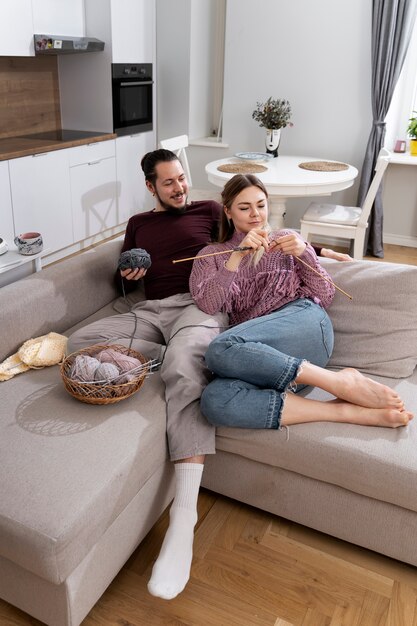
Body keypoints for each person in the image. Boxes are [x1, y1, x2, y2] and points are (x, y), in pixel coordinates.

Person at [67, 148, 229, 601]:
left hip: (198, 305)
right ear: (150, 187)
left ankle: (184, 515)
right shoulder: (139, 224)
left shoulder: (210, 211)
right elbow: (127, 276)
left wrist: (314, 250)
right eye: (170, 182)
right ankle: (172, 354)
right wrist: (129, 271)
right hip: (151, 311)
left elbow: (252, 234)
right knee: (78, 342)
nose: (180, 188)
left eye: (182, 179)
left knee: (183, 364)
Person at [189, 174, 412, 431]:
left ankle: (341, 383)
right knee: (214, 401)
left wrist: (305, 252)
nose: (255, 214)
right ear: (227, 211)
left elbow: (326, 295)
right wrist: (235, 259)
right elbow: (207, 303)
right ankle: (340, 408)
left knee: (220, 349)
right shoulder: (211, 255)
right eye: (244, 207)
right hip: (266, 360)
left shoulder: (286, 240)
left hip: (305, 325)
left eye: (261, 205)